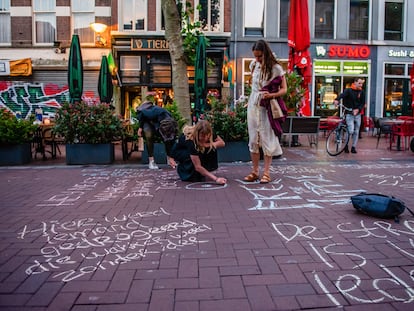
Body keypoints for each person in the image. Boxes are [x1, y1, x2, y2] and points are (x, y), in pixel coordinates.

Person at [243, 40, 287, 184]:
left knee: (267, 137)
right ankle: (255, 171)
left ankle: (266, 172)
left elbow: (284, 89)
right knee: (253, 138)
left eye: (260, 56)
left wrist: (272, 95)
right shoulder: (254, 65)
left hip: (266, 105)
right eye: (255, 56)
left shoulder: (276, 68)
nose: (257, 59)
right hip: (253, 104)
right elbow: (253, 86)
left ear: (266, 54)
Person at [171, 120, 227, 184]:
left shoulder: (209, 132)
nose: (205, 138)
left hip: (195, 150)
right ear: (197, 133)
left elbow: (222, 143)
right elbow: (197, 166)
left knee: (211, 147)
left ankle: (207, 169)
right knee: (194, 177)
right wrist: (216, 179)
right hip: (182, 153)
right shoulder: (190, 140)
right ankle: (185, 170)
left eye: (207, 135)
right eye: (202, 136)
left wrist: (208, 145)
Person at [136, 100, 177, 169]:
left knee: (168, 138)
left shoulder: (165, 114)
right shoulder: (147, 112)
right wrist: (140, 128)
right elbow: (142, 116)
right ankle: (151, 161)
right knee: (149, 136)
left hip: (162, 123)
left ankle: (170, 158)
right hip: (147, 122)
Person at [333, 77, 365, 154]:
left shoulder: (362, 92)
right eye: (359, 83)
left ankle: (353, 147)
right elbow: (342, 95)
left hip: (357, 114)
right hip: (349, 113)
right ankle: (346, 145)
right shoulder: (348, 91)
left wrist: (358, 109)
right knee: (350, 130)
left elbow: (362, 103)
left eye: (362, 83)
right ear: (355, 82)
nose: (361, 85)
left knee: (356, 131)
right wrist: (337, 99)